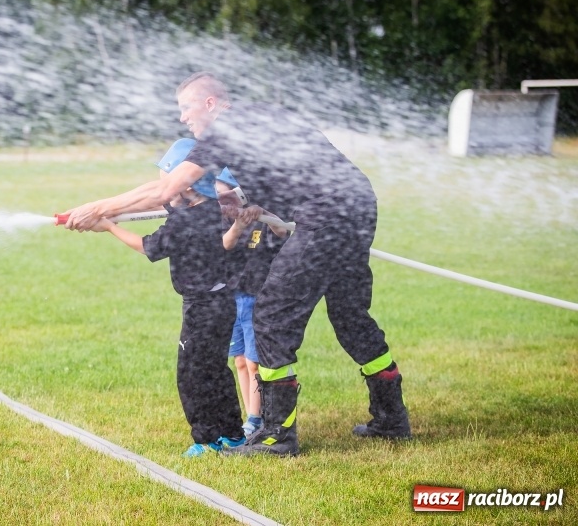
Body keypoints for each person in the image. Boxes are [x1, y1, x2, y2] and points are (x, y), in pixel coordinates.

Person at [63, 72, 411, 457]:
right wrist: (238, 200)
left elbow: (166, 190)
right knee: (349, 314)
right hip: (359, 204)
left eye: (185, 108)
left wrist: (97, 208)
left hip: (325, 216)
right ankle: (391, 417)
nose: (183, 119)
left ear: (210, 104)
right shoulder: (262, 117)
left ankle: (277, 437)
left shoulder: (224, 131)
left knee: (272, 316)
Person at [83, 138, 246, 457]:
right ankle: (233, 434)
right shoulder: (210, 209)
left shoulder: (185, 220)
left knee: (191, 374)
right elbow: (165, 204)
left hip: (201, 307)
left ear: (187, 184)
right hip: (222, 300)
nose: (164, 185)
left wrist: (109, 227)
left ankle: (206, 439)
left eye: (168, 178)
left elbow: (149, 247)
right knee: (215, 368)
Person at [216, 168, 289, 437]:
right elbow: (224, 245)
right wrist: (237, 224)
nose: (221, 198)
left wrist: (263, 215)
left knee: (254, 362)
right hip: (232, 296)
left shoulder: (262, 214)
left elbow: (282, 230)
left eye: (225, 192)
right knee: (239, 362)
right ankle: (250, 418)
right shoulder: (226, 219)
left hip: (256, 297)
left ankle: (255, 418)